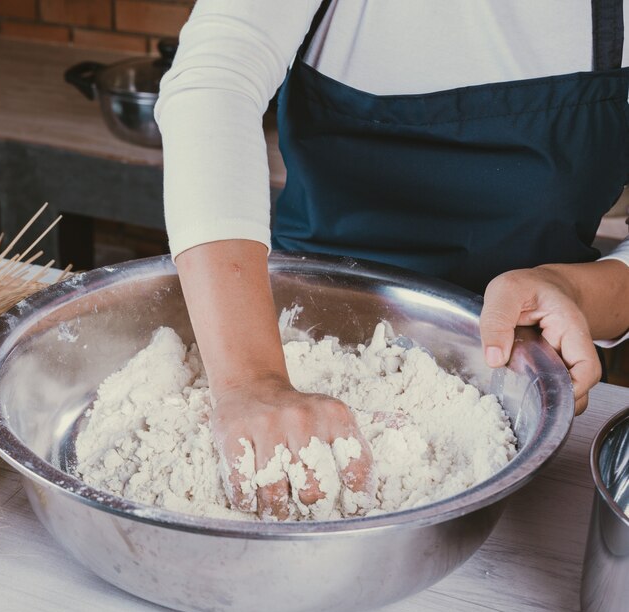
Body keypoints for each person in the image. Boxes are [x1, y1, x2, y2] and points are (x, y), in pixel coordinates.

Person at [155, 0, 629, 520]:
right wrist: (251, 380)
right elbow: (214, 81)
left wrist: (575, 291)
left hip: (515, 402)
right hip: (291, 337)